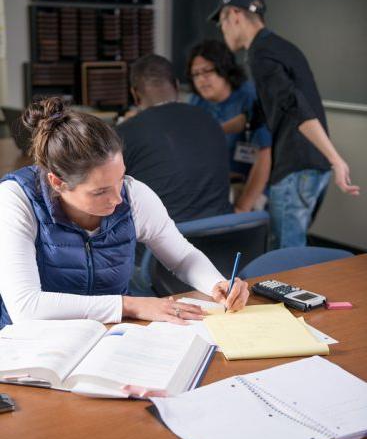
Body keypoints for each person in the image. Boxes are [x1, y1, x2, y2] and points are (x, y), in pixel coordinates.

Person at [0, 97, 249, 330]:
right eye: (99, 192)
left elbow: (182, 257)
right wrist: (128, 304)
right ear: (57, 183)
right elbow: (25, 307)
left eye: (120, 178)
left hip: (111, 335)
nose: (118, 198)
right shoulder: (16, 199)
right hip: (33, 346)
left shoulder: (134, 194)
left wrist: (216, 284)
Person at [208, 0, 360, 248]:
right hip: (312, 168)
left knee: (286, 256)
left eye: (221, 20)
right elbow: (259, 113)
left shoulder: (261, 54)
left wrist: (337, 159)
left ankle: (295, 291)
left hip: (296, 168)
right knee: (291, 249)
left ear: (234, 14)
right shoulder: (278, 47)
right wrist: (213, 130)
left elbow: (294, 104)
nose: (221, 29)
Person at [116, 54, 233, 223]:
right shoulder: (209, 119)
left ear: (135, 94)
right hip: (224, 237)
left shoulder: (125, 134)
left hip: (164, 245)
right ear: (177, 86)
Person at [187, 39, 272, 211]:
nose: (201, 79)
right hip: (215, 184)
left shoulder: (250, 99)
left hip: (253, 186)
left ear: (224, 69)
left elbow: (265, 157)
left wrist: (242, 207)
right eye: (195, 74)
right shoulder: (197, 101)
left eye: (207, 71)